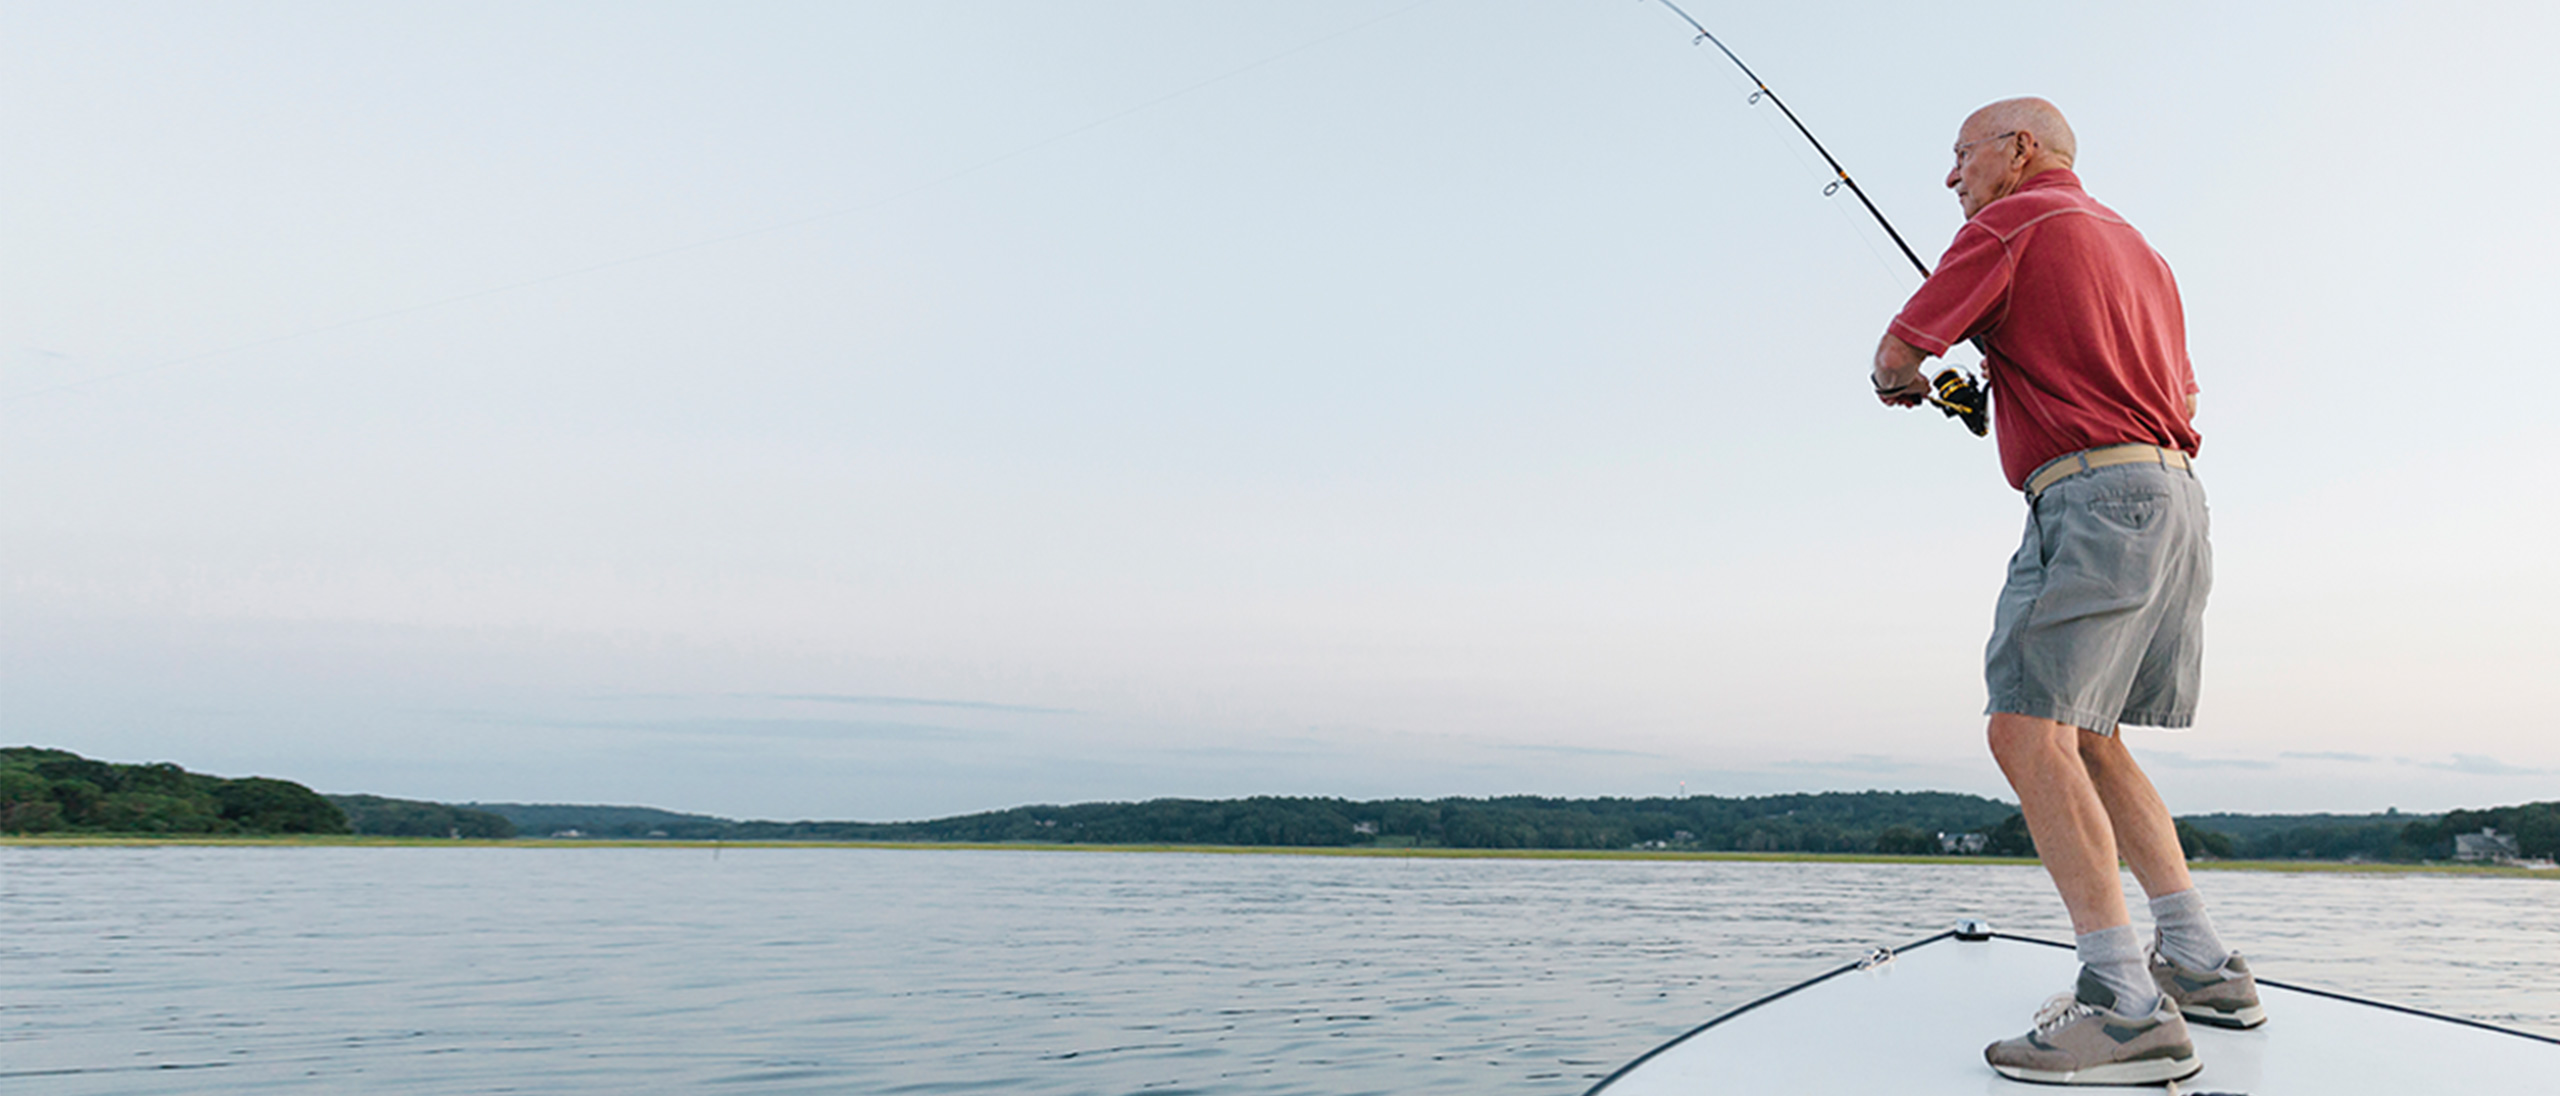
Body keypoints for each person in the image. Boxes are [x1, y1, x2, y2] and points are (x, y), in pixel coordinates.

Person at [1869, 98, 2265, 1086]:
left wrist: (1912, 382)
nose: (1951, 180)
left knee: (2023, 730)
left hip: (2087, 503)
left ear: (2019, 150)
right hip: (2171, 498)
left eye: (1960, 155)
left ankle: (2124, 1006)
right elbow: (2163, 391)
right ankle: (2203, 966)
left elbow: (1894, 356)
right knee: (2088, 735)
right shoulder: (2139, 249)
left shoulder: (2009, 222)